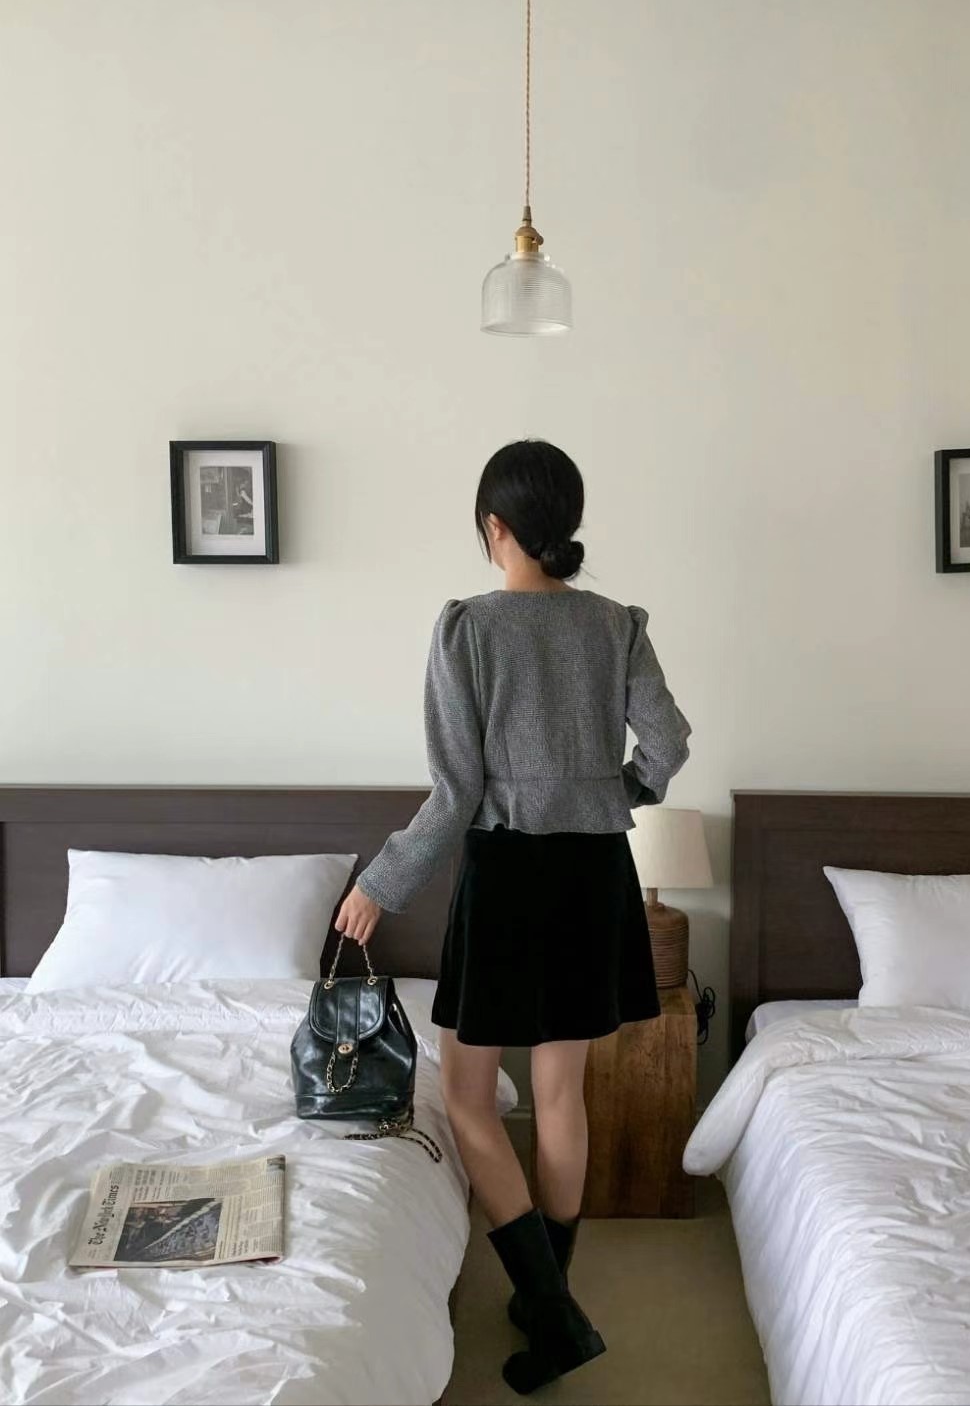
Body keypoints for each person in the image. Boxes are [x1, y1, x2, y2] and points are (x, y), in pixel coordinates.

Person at [334, 439, 690, 1395]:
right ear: (564, 523)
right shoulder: (616, 624)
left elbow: (454, 793)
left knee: (466, 1095)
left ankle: (552, 1307)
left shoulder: (469, 629)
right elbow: (667, 745)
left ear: (495, 527)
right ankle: (549, 1299)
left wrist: (380, 883)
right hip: (593, 873)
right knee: (563, 1095)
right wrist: (609, 795)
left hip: (506, 877)